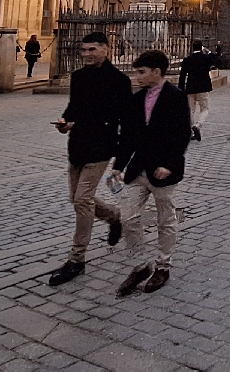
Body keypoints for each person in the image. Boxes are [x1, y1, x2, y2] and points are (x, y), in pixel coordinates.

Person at [47, 32, 130, 287]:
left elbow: (126, 122)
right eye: (83, 50)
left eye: (92, 49)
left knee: (82, 200)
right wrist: (65, 122)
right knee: (77, 198)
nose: (87, 54)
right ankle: (114, 216)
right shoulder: (78, 77)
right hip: (78, 146)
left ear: (106, 49)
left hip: (101, 148)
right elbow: (74, 108)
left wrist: (121, 161)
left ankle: (77, 259)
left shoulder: (118, 80)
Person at [110, 50, 192, 296]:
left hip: (164, 171)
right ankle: (141, 265)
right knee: (128, 217)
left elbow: (182, 134)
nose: (137, 76)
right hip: (138, 168)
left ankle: (163, 266)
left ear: (156, 72)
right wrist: (118, 165)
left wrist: (169, 163)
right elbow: (128, 137)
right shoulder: (136, 100)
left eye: (141, 72)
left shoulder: (176, 97)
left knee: (165, 220)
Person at [179, 40, 215, 142]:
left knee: (190, 110)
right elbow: (217, 60)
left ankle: (191, 131)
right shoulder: (206, 58)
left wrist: (181, 88)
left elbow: (182, 76)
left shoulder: (187, 59)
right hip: (203, 87)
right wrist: (208, 52)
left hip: (190, 87)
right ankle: (198, 125)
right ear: (201, 47)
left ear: (192, 47)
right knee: (205, 108)